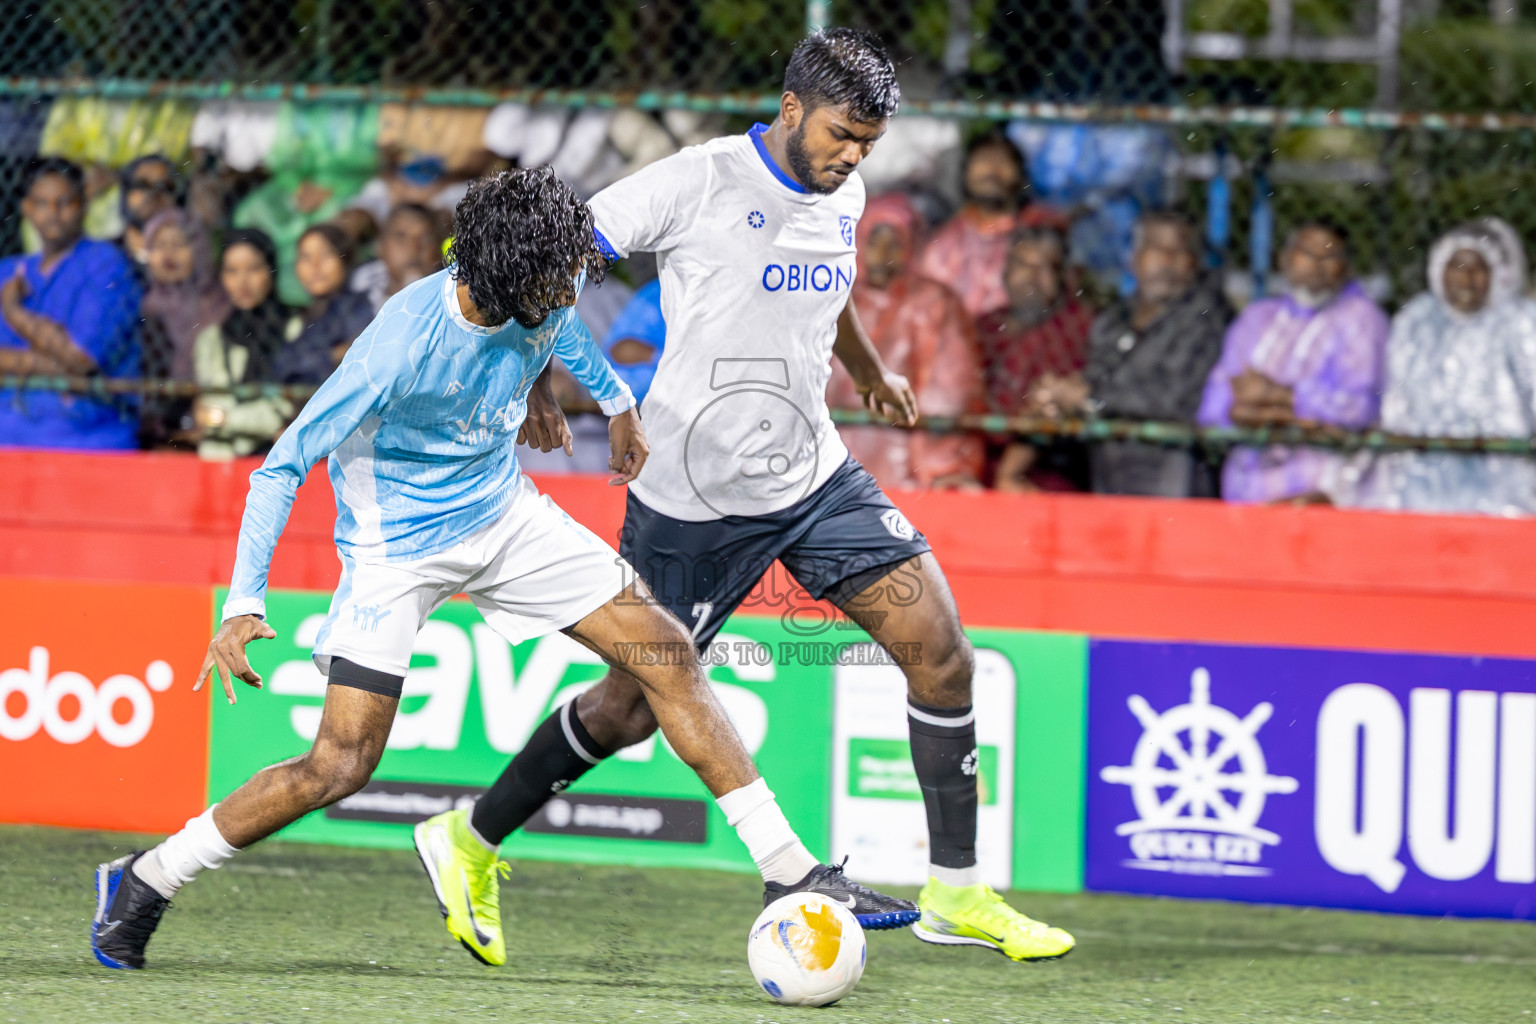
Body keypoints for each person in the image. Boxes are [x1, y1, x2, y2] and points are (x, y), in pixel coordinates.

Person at [89, 166, 908, 973]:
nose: (573, 291)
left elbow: (562, 332)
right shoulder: (400, 343)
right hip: (395, 548)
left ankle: (787, 869)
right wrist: (242, 602)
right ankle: (147, 877)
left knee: (667, 652)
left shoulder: (534, 293)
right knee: (339, 764)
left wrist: (617, 403)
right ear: (513, 280)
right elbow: (282, 466)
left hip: (505, 516)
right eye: (560, 280)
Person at [476, 29, 1075, 964]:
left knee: (943, 654)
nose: (854, 157)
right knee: (631, 708)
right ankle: (472, 838)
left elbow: (827, 297)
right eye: (843, 135)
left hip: (813, 475)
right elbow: (555, 253)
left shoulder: (846, 188)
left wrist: (870, 371)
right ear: (791, 108)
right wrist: (537, 379)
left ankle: (956, 893)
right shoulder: (697, 181)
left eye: (869, 145)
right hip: (690, 496)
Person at [1345, 218, 1536, 516]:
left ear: (1498, 274)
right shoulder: (1416, 322)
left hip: (1501, 475)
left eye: (1478, 268)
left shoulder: (1521, 323)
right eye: (1456, 266)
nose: (1466, 279)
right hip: (1420, 473)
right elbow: (1397, 400)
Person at [1033, 211, 1229, 497]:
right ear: (1134, 259)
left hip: (1175, 475)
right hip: (1113, 468)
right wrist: (1064, 394)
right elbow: (1097, 379)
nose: (1166, 260)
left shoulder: (1208, 317)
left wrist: (1092, 398)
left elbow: (1178, 399)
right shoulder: (1114, 318)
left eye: (1179, 250)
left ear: (1195, 262)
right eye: (1155, 248)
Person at [1198, 221, 1388, 504]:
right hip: (1245, 488)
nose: (1317, 265)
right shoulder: (1257, 318)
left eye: (1330, 256)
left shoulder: (1361, 319)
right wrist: (1304, 418)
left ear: (1347, 268)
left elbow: (1357, 410)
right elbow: (1216, 406)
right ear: (1285, 260)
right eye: (1307, 253)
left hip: (1319, 492)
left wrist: (1276, 396)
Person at [826, 192, 984, 490]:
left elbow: (948, 390)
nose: (884, 253)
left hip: (907, 466)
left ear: (910, 246)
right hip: (834, 461)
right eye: (875, 241)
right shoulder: (836, 300)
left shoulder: (932, 302)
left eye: (895, 243)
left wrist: (940, 466)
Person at [0, 158, 142, 450]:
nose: (53, 213)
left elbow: (81, 358)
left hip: (86, 430)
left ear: (84, 205)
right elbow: (71, 366)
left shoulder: (106, 264)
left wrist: (14, 313)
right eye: (42, 203)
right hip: (11, 424)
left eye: (65, 202)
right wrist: (57, 366)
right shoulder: (9, 270)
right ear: (26, 208)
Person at [977, 225, 1095, 492]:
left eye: (1045, 267)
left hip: (1054, 475)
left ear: (1062, 276)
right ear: (1005, 271)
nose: (1031, 277)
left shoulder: (1082, 327)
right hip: (981, 470)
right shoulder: (982, 330)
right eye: (1022, 265)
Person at [915, 130, 1064, 319]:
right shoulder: (942, 245)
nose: (992, 170)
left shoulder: (1044, 229)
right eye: (982, 161)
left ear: (1020, 175)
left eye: (1002, 162)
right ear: (964, 173)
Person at [189, 228, 299, 459]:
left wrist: (225, 419)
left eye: (254, 268)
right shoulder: (212, 338)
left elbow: (286, 410)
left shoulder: (294, 328)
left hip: (274, 456)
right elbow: (205, 409)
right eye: (232, 271)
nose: (242, 281)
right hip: (220, 458)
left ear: (271, 270)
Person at [138, 208, 231, 446]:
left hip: (213, 419)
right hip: (152, 423)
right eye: (159, 245)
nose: (169, 254)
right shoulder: (143, 305)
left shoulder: (221, 304)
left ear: (199, 250)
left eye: (179, 244)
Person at [272, 224, 374, 384]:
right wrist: (330, 355)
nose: (315, 266)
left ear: (345, 258)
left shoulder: (356, 309)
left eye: (326, 254)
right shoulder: (299, 316)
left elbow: (357, 359)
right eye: (306, 257)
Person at [350, 203, 443, 313]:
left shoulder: (453, 294)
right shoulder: (355, 286)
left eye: (425, 238)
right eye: (400, 236)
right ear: (380, 246)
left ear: (438, 248)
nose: (413, 248)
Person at [118, 154, 184, 272]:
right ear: (126, 194)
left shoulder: (190, 254)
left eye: (164, 186)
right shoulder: (108, 253)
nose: (153, 193)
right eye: (142, 185)